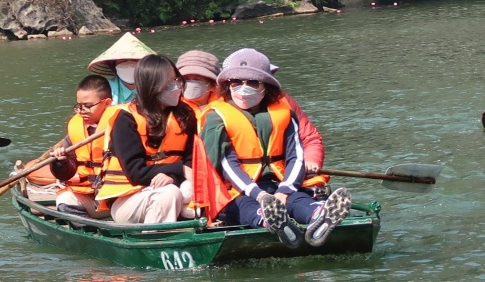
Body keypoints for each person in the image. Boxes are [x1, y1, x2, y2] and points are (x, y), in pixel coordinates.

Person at [198, 48, 350, 247]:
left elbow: (296, 155)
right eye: (237, 82)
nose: (244, 88)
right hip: (237, 190)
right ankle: (268, 220)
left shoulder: (283, 112)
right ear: (228, 85)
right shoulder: (216, 116)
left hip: (277, 182)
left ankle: (318, 214)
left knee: (296, 199)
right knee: (244, 205)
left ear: (265, 86)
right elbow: (228, 166)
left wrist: (285, 190)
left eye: (253, 82)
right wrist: (259, 194)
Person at [96, 54, 198, 224]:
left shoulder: (185, 115)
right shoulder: (126, 119)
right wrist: (179, 169)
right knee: (169, 193)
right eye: (169, 83)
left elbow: (191, 159)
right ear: (152, 87)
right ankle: (154, 240)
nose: (176, 87)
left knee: (175, 192)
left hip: (172, 187)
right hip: (128, 199)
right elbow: (136, 173)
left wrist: (172, 175)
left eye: (177, 81)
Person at [25, 75, 113, 207]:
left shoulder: (123, 126)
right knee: (64, 200)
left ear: (106, 103)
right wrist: (62, 161)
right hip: (89, 194)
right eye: (79, 106)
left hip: (116, 194)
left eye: (88, 106)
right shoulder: (76, 128)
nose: (82, 111)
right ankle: (85, 226)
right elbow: (65, 175)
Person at [87, 32, 154, 106]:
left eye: (134, 60)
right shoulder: (104, 90)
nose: (129, 64)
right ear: (113, 65)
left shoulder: (155, 87)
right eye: (123, 60)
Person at [176, 50, 221, 121]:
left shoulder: (226, 108)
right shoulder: (170, 108)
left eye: (197, 80)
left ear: (213, 85)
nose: (190, 83)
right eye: (185, 79)